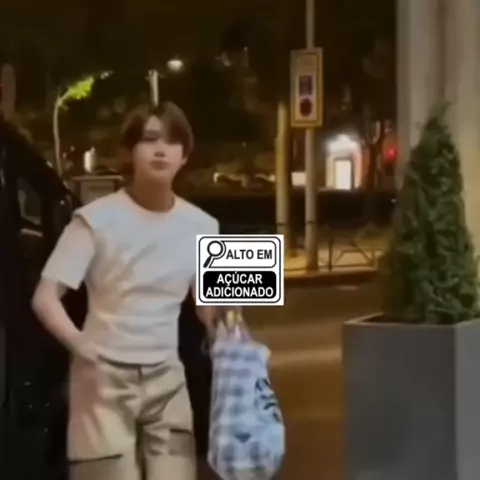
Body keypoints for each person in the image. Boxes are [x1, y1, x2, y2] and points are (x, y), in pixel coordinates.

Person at [32, 102, 219, 480]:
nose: (161, 150)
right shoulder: (95, 220)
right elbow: (45, 297)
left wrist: (227, 329)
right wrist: (82, 346)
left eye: (172, 142)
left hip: (167, 378)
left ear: (185, 156)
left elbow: (208, 305)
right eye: (149, 139)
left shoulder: (203, 226)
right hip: (103, 383)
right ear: (131, 152)